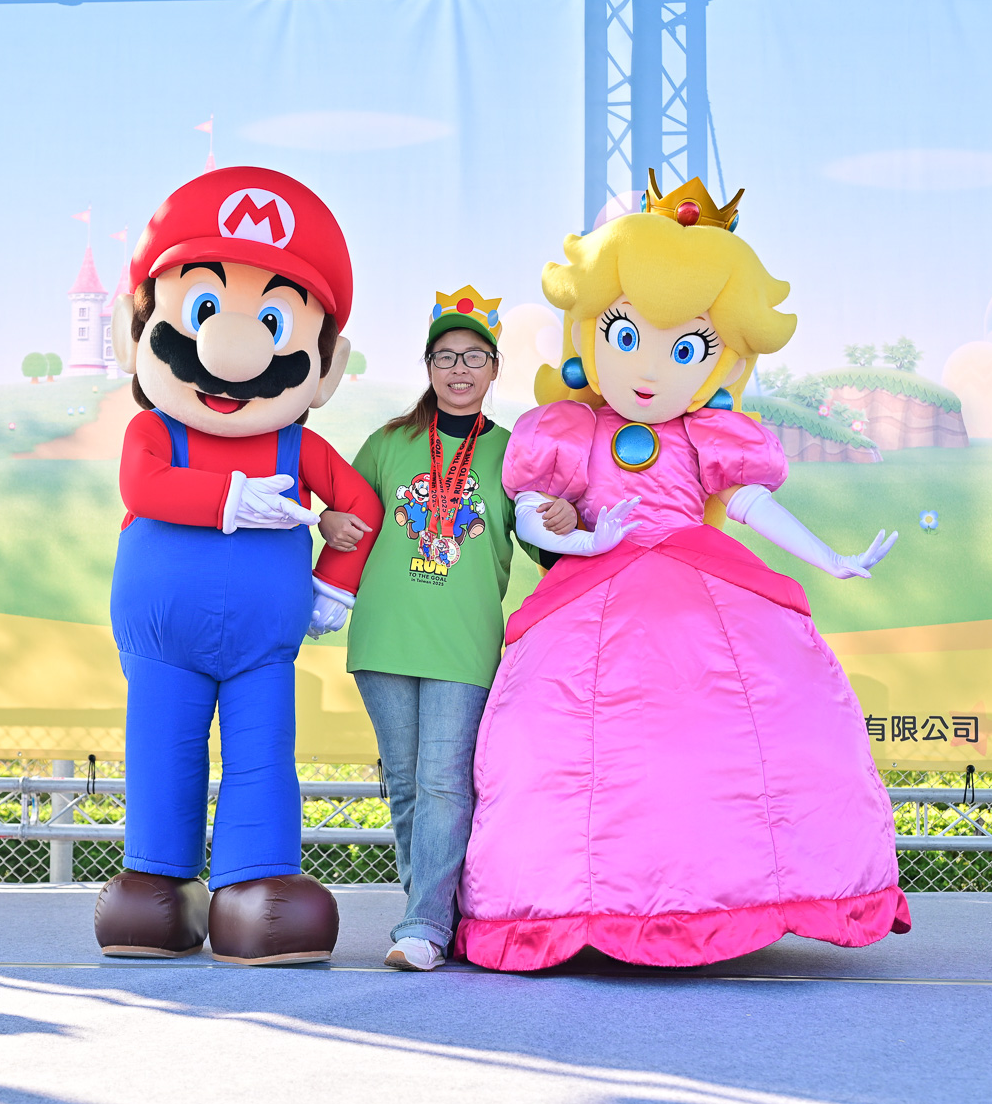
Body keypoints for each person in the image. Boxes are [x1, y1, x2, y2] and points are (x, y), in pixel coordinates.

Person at [454, 171, 911, 972]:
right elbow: (530, 509)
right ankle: (568, 905)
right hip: (587, 594)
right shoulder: (570, 432)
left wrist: (831, 559)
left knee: (748, 729)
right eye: (626, 335)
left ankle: (733, 896)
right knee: (555, 738)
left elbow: (751, 505)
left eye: (686, 347)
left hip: (704, 584)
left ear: (718, 356)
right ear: (590, 332)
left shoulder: (707, 437)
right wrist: (583, 542)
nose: (649, 367)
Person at [94, 166, 383, 966]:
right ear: (135, 331)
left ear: (325, 364)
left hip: (262, 646)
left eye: (274, 321)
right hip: (164, 640)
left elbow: (361, 507)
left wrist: (333, 584)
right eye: (203, 309)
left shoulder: (300, 445)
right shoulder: (154, 432)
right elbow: (143, 486)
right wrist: (231, 500)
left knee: (263, 753)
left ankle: (255, 889)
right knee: (163, 747)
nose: (232, 351)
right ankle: (159, 882)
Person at [327, 287, 576, 971]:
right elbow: (350, 520)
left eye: (473, 357)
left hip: (463, 644)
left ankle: (424, 925)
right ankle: (432, 917)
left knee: (444, 782)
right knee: (408, 785)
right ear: (428, 367)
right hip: (384, 636)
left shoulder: (515, 453)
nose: (459, 370)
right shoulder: (388, 443)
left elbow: (546, 549)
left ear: (494, 368)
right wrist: (329, 521)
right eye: (445, 357)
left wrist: (563, 522)